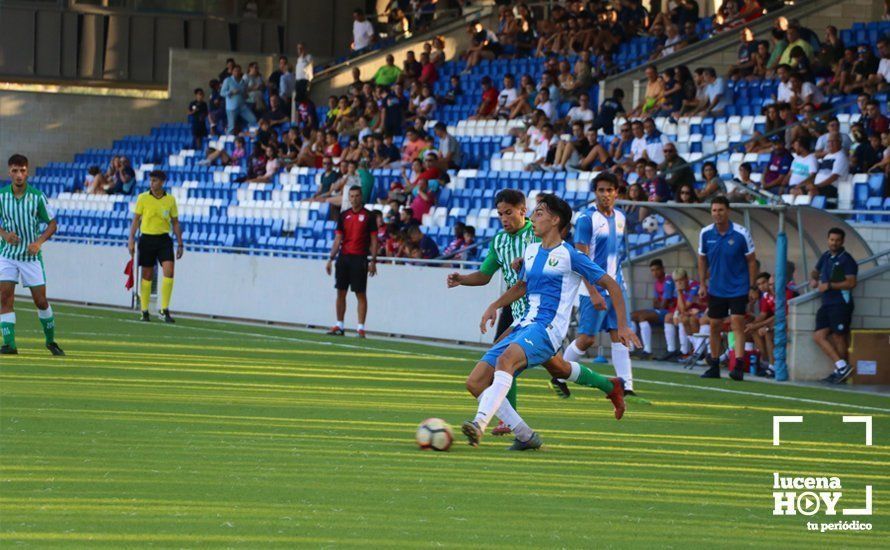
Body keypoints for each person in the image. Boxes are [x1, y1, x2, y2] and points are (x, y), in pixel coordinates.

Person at [460, 194, 638, 448]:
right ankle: (525, 436)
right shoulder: (531, 251)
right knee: (476, 382)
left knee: (506, 360)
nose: (533, 217)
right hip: (525, 322)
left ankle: (479, 424)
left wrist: (622, 325)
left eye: (539, 213)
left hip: (548, 328)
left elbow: (610, 283)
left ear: (555, 220)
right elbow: (522, 286)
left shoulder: (570, 255)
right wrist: (494, 306)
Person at [447, 189, 536, 437]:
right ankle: (509, 420)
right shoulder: (499, 241)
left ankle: (609, 385)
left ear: (523, 211)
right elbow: (485, 276)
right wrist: (462, 279)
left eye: (509, 213)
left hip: (540, 311)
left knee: (558, 368)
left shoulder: (536, 234)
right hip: (516, 308)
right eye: (500, 214)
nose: (504, 218)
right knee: (504, 361)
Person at [560, 173, 639, 395]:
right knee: (587, 339)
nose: (605, 194)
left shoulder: (621, 218)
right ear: (595, 192)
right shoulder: (586, 219)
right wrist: (593, 291)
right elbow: (580, 260)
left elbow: (617, 254)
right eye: (601, 190)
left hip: (616, 286)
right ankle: (558, 375)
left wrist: (619, 283)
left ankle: (627, 385)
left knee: (620, 334)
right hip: (592, 288)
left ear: (616, 192)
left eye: (609, 190)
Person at [0, 154, 64, 356]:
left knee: (40, 301)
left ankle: (51, 341)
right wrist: (4, 234)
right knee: (4, 298)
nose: (19, 175)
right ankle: (9, 344)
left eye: (23, 170)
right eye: (15, 171)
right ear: (9, 172)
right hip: (8, 255)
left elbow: (52, 224)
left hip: (30, 257)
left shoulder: (37, 197)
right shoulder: (1, 196)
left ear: (27, 171)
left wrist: (38, 242)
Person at [697, 196, 757, 380]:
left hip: (739, 287)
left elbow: (752, 260)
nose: (717, 214)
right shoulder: (705, 233)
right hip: (716, 288)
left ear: (728, 211)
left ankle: (738, 365)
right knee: (714, 325)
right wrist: (702, 283)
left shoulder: (741, 233)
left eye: (721, 210)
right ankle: (714, 365)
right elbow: (701, 258)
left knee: (737, 323)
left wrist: (752, 287)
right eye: (714, 210)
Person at [127, 170, 184, 324]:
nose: (152, 184)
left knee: (169, 271)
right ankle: (144, 310)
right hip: (147, 239)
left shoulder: (170, 200)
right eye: (151, 181)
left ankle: (164, 309)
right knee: (147, 275)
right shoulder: (143, 198)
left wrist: (180, 243)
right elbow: (136, 220)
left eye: (155, 181)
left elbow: (175, 222)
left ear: (162, 182)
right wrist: (131, 239)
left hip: (164, 240)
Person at [326, 186, 379, 338]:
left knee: (360, 293)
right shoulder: (344, 216)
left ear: (361, 197)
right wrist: (330, 258)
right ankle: (339, 325)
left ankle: (360, 328)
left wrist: (373, 261)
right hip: (344, 258)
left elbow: (374, 240)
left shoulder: (369, 216)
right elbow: (338, 239)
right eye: (351, 196)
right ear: (348, 198)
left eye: (357, 196)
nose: (354, 199)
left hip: (360, 258)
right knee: (340, 292)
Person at [810, 228, 858, 384]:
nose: (834, 243)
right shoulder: (825, 256)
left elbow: (851, 283)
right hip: (826, 303)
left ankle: (841, 372)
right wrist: (813, 279)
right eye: (832, 240)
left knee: (838, 336)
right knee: (818, 336)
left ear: (842, 241)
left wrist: (829, 285)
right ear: (827, 239)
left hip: (840, 304)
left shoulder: (847, 260)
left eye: (837, 240)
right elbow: (815, 272)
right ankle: (842, 367)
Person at [630, 258, 675, 360]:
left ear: (663, 269)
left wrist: (660, 303)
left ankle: (648, 351)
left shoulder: (668, 280)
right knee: (632, 316)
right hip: (660, 311)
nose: (655, 272)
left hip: (669, 312)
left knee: (642, 316)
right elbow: (655, 304)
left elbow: (664, 305)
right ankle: (631, 350)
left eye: (657, 269)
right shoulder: (657, 283)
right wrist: (660, 303)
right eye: (652, 270)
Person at [221, 64, 257, 134]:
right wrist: (231, 92)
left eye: (238, 71)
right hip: (231, 108)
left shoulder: (243, 81)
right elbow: (222, 93)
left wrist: (247, 95)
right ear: (232, 72)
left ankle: (250, 134)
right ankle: (229, 141)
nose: (237, 72)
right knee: (231, 127)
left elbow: (244, 93)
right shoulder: (228, 80)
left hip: (242, 106)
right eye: (235, 71)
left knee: (253, 120)